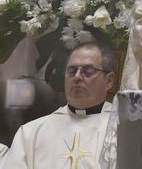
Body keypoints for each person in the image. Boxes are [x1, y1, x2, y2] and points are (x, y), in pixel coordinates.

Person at [0, 40, 117, 169]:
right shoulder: (31, 133)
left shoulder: (121, 131)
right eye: (71, 71)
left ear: (109, 80)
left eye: (88, 71)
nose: (77, 77)